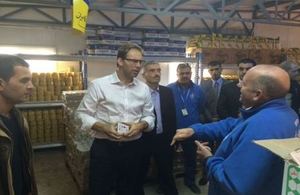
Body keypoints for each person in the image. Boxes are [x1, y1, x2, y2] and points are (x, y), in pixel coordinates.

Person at [171, 65, 299, 195]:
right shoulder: (284, 113)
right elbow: (234, 124)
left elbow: (232, 184)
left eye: (243, 84)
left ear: (257, 94)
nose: (238, 87)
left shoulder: (262, 127)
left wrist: (209, 158)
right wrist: (195, 130)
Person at [76, 43, 155, 195]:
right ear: (120, 61)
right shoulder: (99, 85)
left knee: (130, 188)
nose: (138, 65)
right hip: (104, 148)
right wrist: (103, 127)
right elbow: (82, 114)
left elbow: (149, 116)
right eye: (134, 61)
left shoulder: (143, 88)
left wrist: (141, 125)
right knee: (100, 188)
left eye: (140, 62)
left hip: (134, 148)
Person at [136, 61, 178, 195]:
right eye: (152, 70)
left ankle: (168, 190)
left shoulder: (167, 92)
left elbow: (172, 117)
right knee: (140, 170)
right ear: (144, 74)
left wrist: (174, 137)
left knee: (166, 169)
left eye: (158, 70)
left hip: (164, 139)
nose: (156, 73)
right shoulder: (137, 93)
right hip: (143, 139)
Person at [0, 54, 38, 195]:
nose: (31, 87)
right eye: (24, 81)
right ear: (1, 84)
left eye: (31, 81)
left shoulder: (18, 119)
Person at [167, 63, 205, 194]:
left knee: (191, 158)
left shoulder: (198, 89)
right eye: (182, 73)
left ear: (191, 73)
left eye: (187, 73)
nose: (185, 76)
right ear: (177, 74)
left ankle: (189, 182)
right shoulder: (169, 89)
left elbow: (200, 108)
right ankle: (166, 184)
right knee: (167, 158)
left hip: (191, 130)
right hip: (173, 130)